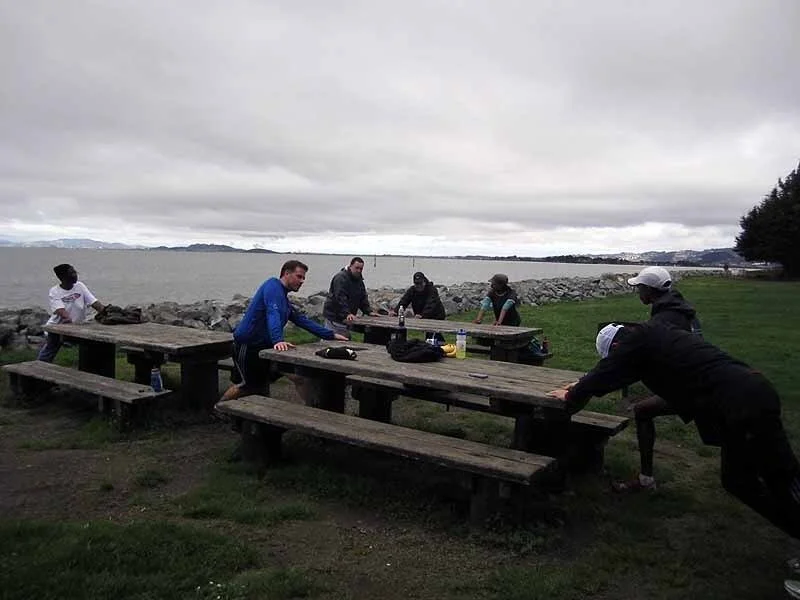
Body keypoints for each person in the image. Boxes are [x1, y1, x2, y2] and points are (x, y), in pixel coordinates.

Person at [548, 323, 800, 581]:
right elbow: (613, 375)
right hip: (744, 396)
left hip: (744, 402)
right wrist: (580, 385)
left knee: (779, 477)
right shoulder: (654, 340)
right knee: (741, 480)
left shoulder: (637, 342)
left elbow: (606, 372)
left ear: (616, 346)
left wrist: (571, 396)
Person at [615, 266, 702, 492]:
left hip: (696, 385)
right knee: (643, 410)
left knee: (643, 410)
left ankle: (646, 479)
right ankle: (646, 479)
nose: (638, 292)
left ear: (649, 290)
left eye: (640, 288)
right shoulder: (680, 310)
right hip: (696, 378)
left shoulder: (666, 319)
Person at [220, 259, 348, 402]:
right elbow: (272, 312)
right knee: (248, 386)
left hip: (269, 347)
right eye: (299, 276)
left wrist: (331, 335)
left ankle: (313, 410)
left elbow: (301, 320)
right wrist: (278, 340)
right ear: (286, 273)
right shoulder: (272, 286)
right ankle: (219, 407)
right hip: (249, 345)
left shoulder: (284, 299)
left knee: (299, 378)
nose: (302, 281)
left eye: (304, 278)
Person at [38, 263, 105, 362]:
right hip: (56, 328)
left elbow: (94, 303)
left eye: (75, 272)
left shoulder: (80, 286)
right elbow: (62, 312)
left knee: (93, 346)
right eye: (71, 273)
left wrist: (107, 312)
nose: (75, 275)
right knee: (49, 351)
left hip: (77, 327)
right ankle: (39, 367)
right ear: (62, 277)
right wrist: (69, 321)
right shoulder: (55, 291)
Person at [322, 257, 373, 339]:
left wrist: (368, 311)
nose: (359, 271)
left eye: (361, 269)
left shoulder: (359, 280)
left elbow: (362, 297)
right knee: (331, 340)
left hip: (345, 319)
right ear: (350, 266)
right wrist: (347, 313)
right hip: (334, 317)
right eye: (357, 268)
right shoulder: (340, 278)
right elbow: (340, 297)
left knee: (344, 339)